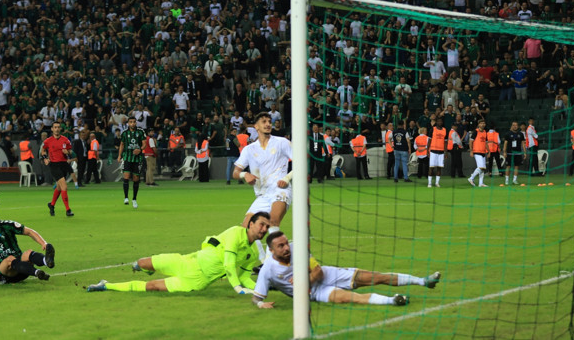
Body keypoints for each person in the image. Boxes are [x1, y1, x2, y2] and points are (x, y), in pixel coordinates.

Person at [86, 212, 270, 294]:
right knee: (142, 263)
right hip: (188, 261)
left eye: (267, 227)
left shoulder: (253, 253)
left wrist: (258, 288)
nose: (264, 229)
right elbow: (229, 264)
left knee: (151, 287)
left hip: (196, 281)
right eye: (261, 224)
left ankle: (106, 285)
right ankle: (145, 268)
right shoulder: (235, 233)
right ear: (250, 224)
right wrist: (238, 289)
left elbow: (245, 277)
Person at [252, 231, 441, 308]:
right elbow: (256, 297)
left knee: (375, 277)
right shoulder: (267, 270)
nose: (286, 248)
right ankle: (393, 301)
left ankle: (424, 281)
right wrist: (262, 305)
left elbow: (317, 271)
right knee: (347, 298)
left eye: (286, 243)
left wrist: (303, 280)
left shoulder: (296, 248)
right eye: (281, 246)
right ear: (271, 250)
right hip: (315, 293)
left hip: (327, 274)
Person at [233, 112, 293, 239]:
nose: (268, 124)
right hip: (262, 195)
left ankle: (273, 258)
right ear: (256, 126)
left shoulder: (282, 142)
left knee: (273, 222)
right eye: (264, 122)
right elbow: (235, 172)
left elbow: (301, 163)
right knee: (246, 229)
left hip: (280, 190)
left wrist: (286, 178)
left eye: (269, 122)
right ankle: (261, 257)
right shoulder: (249, 149)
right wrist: (245, 174)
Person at [0, 207, 56, 285]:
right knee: (9, 259)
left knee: (28, 253)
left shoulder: (6, 225)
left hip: (22, 267)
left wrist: (44, 243)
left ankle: (46, 261)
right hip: (3, 274)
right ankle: (37, 273)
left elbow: (29, 231)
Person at [42, 121, 74, 217]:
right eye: (55, 127)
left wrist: (67, 152)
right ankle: (68, 210)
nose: (56, 129)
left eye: (58, 127)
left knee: (59, 187)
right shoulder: (48, 141)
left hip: (63, 164)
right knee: (64, 186)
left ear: (60, 129)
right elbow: (43, 150)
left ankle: (51, 205)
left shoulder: (65, 140)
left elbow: (70, 151)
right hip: (54, 165)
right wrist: (45, 158)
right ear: (52, 129)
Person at [118, 116, 147, 208]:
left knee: (136, 179)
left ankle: (134, 199)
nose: (132, 123)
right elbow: (122, 145)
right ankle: (126, 197)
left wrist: (140, 149)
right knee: (126, 177)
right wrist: (119, 155)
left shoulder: (141, 132)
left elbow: (144, 144)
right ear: (128, 123)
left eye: (134, 122)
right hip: (127, 158)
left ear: (136, 123)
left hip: (137, 159)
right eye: (131, 122)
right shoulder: (124, 133)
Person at [502, 121, 525, 185]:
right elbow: (505, 144)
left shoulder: (521, 134)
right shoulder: (508, 134)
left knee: (516, 166)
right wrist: (504, 152)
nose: (515, 126)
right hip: (509, 153)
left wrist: (524, 152)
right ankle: (506, 180)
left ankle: (514, 180)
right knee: (508, 166)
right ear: (511, 126)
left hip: (518, 152)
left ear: (518, 126)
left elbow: (523, 143)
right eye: (513, 125)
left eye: (516, 125)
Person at [468, 120, 490, 187]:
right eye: (481, 123)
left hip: (483, 152)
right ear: (478, 124)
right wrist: (471, 151)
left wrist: (488, 151)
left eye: (484, 123)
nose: (483, 124)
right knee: (481, 167)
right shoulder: (475, 132)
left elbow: (486, 143)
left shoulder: (485, 132)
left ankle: (481, 183)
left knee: (482, 168)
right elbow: (470, 142)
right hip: (477, 151)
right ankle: (471, 178)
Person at [428, 119, 448, 188]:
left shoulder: (445, 130)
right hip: (433, 151)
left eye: (441, 121)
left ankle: (437, 183)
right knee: (431, 167)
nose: (440, 122)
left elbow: (445, 142)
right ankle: (429, 183)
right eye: (438, 121)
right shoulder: (432, 129)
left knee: (439, 168)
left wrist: (446, 151)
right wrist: (428, 150)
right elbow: (429, 140)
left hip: (441, 152)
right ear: (436, 122)